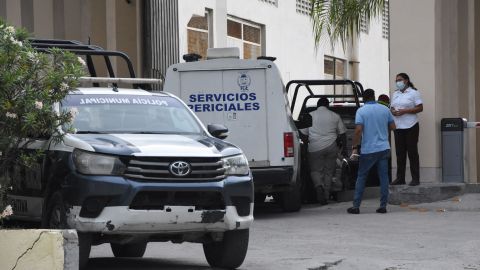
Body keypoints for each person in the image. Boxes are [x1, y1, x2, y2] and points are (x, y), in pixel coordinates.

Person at [347, 89, 396, 214]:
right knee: (384, 177)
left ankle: (356, 206)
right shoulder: (385, 110)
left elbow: (358, 130)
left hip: (369, 149)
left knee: (362, 176)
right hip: (384, 148)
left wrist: (354, 147)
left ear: (363, 98)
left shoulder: (361, 111)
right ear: (374, 97)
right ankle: (383, 206)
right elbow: (393, 127)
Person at [301, 97, 347, 205]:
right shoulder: (335, 116)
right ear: (327, 105)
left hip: (314, 147)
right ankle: (326, 196)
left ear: (318, 105)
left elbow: (303, 134)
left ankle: (318, 186)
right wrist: (344, 148)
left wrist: (306, 146)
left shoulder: (310, 115)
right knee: (329, 172)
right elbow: (343, 134)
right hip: (331, 146)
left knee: (315, 171)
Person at [390, 73, 423, 186]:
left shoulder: (414, 93)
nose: (397, 82)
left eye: (400, 80)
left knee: (412, 153)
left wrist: (405, 111)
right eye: (396, 80)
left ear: (406, 81)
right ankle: (400, 178)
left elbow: (420, 108)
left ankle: (415, 179)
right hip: (398, 126)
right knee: (400, 153)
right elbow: (392, 106)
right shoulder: (395, 94)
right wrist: (393, 111)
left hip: (411, 126)